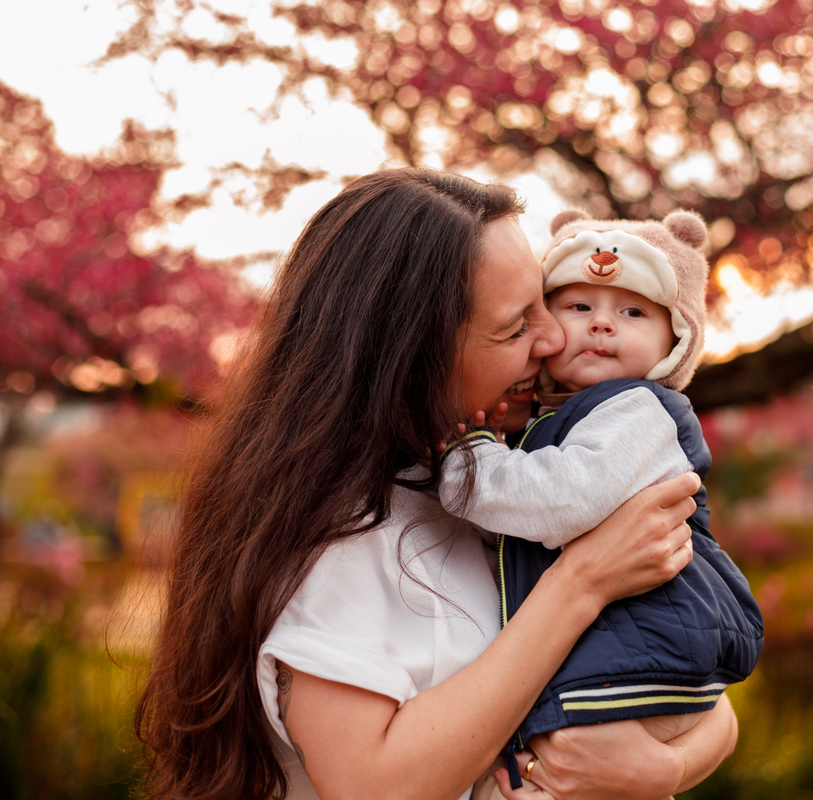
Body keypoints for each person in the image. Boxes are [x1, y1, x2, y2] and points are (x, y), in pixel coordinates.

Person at [134, 168, 738, 800]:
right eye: (515, 325)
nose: (558, 335)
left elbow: (699, 693)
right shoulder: (343, 536)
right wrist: (582, 583)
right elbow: (370, 786)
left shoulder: (497, 486)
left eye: (546, 302)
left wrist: (664, 770)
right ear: (414, 355)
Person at [440, 211, 763, 800]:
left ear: (678, 340)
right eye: (578, 307)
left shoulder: (638, 410)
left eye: (633, 311)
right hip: (626, 665)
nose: (602, 327)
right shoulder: (563, 420)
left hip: (632, 673)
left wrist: (469, 461)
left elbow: (561, 500)